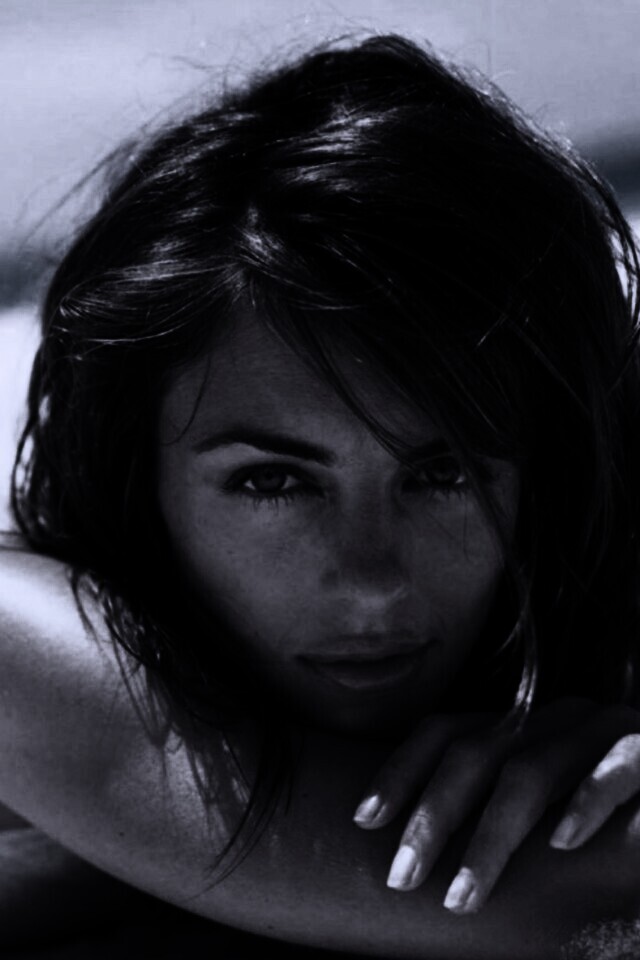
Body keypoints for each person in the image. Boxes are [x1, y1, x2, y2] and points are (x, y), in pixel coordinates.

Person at [2, 32, 640, 958]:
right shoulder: (18, 643)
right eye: (273, 481)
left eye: (445, 475)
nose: (372, 585)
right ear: (137, 476)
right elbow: (501, 891)